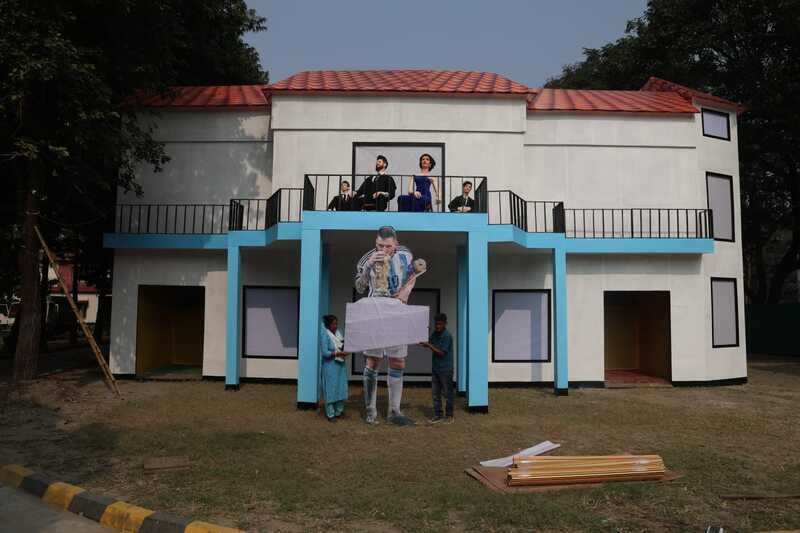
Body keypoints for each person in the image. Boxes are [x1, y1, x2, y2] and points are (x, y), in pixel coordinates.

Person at [354, 226, 419, 426]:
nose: (383, 249)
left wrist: (405, 294)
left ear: (395, 244)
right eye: (379, 245)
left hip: (397, 312)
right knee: (373, 361)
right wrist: (368, 268)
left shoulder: (405, 255)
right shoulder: (367, 259)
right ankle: (370, 411)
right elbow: (360, 287)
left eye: (387, 246)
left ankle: (394, 411)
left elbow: (412, 277)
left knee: (398, 362)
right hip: (375, 312)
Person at [420, 313, 454, 424]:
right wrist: (417, 338)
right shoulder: (435, 334)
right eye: (436, 324)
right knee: (435, 394)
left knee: (447, 394)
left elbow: (441, 353)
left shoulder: (447, 336)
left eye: (440, 324)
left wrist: (430, 346)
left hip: (446, 369)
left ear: (445, 324)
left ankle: (449, 416)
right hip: (436, 369)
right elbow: (427, 343)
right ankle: (438, 415)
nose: (438, 326)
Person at [320, 314, 349, 422]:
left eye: (336, 323)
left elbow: (343, 345)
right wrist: (337, 353)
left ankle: (338, 411)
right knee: (331, 389)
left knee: (341, 388)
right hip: (330, 366)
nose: (336, 326)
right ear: (328, 325)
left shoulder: (339, 333)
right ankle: (330, 414)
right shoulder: (325, 335)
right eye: (333, 324)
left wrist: (347, 351)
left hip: (340, 366)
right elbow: (325, 353)